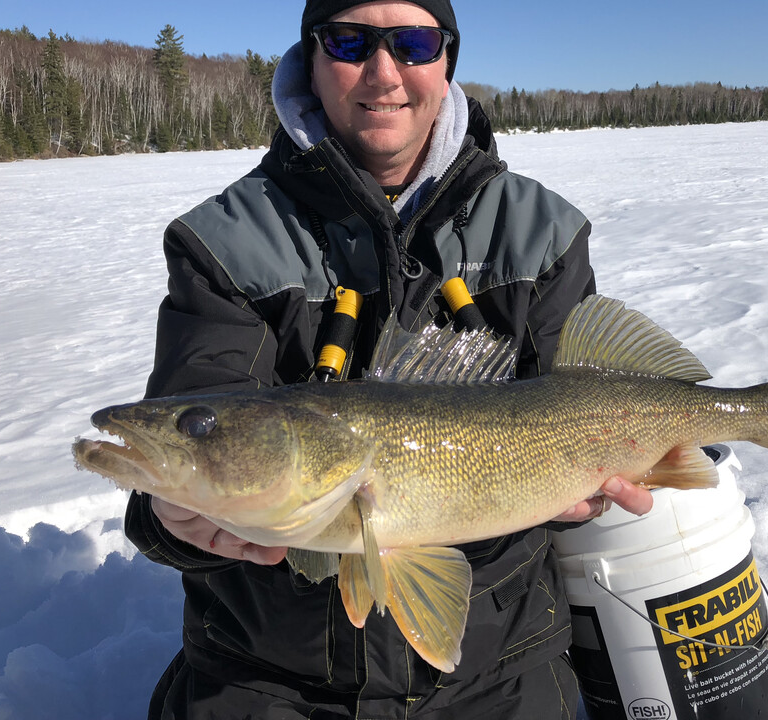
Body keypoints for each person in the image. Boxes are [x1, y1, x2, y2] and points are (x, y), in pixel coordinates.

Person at [125, 1, 653, 717]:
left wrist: (585, 487)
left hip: (500, 662)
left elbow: (580, 388)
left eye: (412, 42)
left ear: (446, 61)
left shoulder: (542, 231)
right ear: (310, 58)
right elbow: (204, 407)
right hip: (269, 673)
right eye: (348, 41)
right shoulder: (223, 242)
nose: (383, 71)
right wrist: (167, 513)